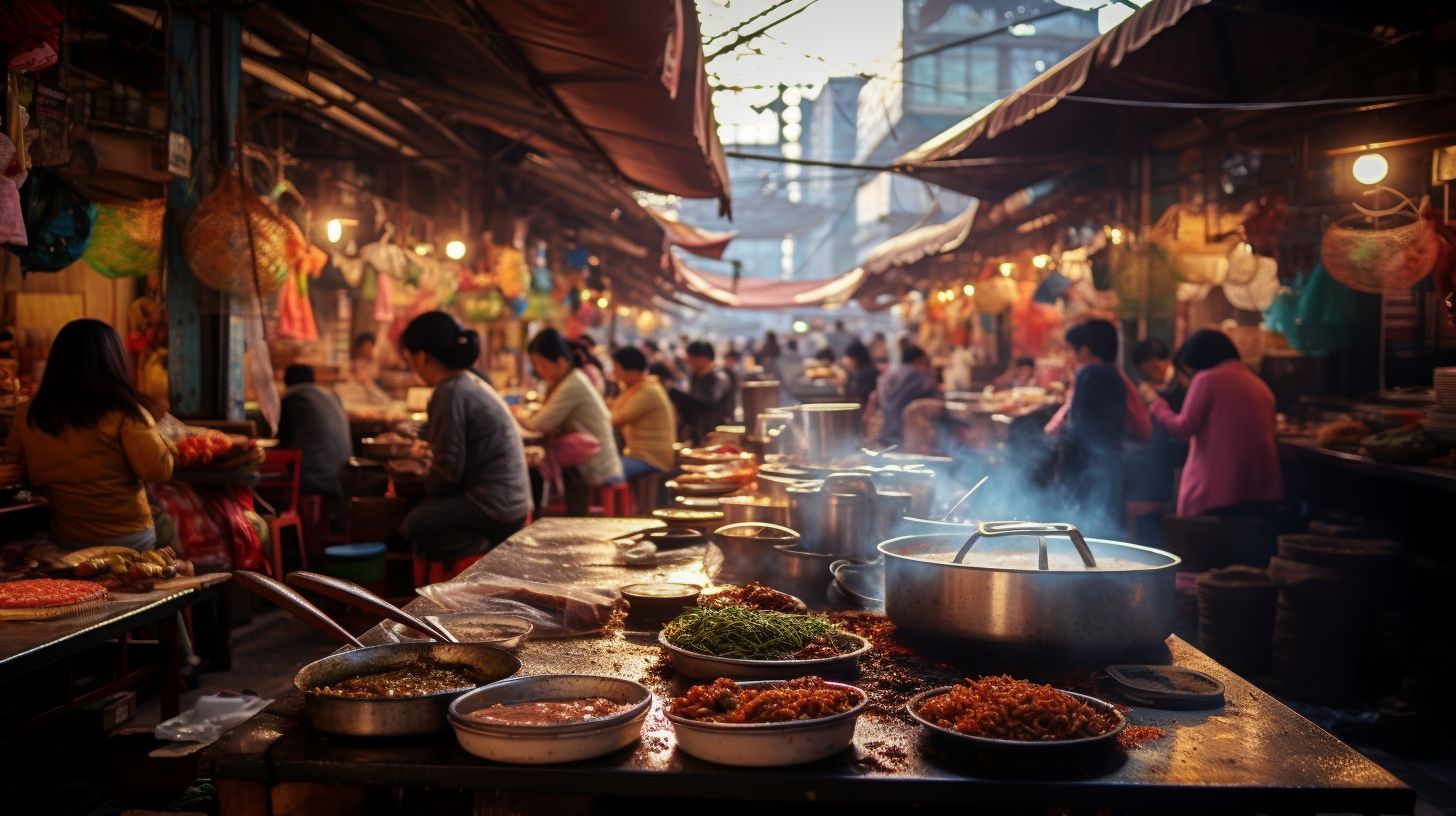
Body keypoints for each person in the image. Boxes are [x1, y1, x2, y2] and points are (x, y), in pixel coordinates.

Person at [3, 319, 173, 550]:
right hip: (128, 539)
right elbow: (159, 471)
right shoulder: (125, 413)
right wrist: (168, 444)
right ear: (114, 362)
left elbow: (13, 467)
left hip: (67, 538)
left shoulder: (29, 413)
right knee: (167, 525)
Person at [397, 312, 530, 561]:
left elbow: (447, 471)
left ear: (421, 356)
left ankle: (485, 550)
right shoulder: (468, 382)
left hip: (496, 505)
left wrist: (424, 484)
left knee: (414, 522)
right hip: (511, 501)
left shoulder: (449, 392)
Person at [1148, 329, 1283, 518]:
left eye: (1189, 371)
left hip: (1216, 494)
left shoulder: (1207, 380)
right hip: (1259, 492)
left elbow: (1184, 428)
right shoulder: (1259, 384)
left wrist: (1157, 406)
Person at [521, 328, 623, 514]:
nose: (538, 371)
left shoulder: (573, 383)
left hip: (595, 462)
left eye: (540, 364)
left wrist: (514, 414)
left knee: (533, 469)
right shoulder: (571, 379)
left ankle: (550, 518)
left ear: (560, 362)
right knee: (535, 465)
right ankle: (550, 517)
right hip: (591, 455)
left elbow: (538, 424)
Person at [1046, 320, 1127, 537]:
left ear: (1085, 349)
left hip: (1087, 468)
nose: (1071, 355)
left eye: (1072, 349)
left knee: (1084, 532)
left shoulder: (1089, 374)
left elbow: (1079, 426)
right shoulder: (1114, 375)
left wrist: (1063, 467)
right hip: (1109, 464)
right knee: (1105, 530)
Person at [1124, 339, 1190, 544]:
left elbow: (1181, 425)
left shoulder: (1183, 384)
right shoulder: (1143, 387)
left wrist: (1154, 401)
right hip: (1154, 460)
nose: (1153, 373)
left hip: (1177, 454)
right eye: (1146, 371)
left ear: (1165, 361)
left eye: (1154, 366)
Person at [276, 364, 353, 528]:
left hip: (314, 478)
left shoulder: (292, 397)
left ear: (286, 382)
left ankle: (289, 540)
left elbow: (282, 441)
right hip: (343, 476)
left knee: (275, 494)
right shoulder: (332, 395)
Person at [609, 347, 676, 480]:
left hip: (651, 458)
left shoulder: (649, 391)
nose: (613, 373)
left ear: (630, 371)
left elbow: (617, 419)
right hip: (638, 455)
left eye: (616, 369)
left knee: (607, 473)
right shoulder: (635, 388)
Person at [872, 344, 939, 447]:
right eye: (926, 362)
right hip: (908, 442)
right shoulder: (920, 377)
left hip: (884, 438)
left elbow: (873, 400)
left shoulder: (887, 377)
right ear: (918, 360)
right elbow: (937, 403)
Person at [671, 340, 734, 445]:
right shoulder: (696, 376)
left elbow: (708, 402)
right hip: (700, 434)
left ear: (702, 359)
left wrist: (678, 395)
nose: (688, 362)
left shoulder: (719, 377)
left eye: (691, 358)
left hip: (717, 434)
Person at [843, 340, 879, 406]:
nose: (846, 362)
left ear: (856, 359)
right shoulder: (866, 370)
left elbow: (857, 397)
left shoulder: (865, 374)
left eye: (849, 358)